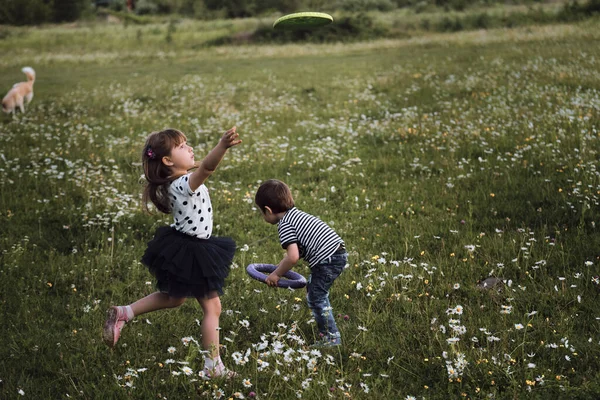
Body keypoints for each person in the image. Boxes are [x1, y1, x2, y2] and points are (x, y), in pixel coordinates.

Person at [103, 127, 241, 378]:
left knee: (174, 297)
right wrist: (221, 146)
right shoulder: (182, 184)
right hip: (194, 252)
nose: (190, 148)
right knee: (213, 309)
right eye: (182, 146)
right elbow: (207, 169)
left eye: (188, 143)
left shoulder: (174, 183)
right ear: (167, 161)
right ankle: (213, 367)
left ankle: (125, 312)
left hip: (184, 246)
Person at [254, 179, 348, 347]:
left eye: (261, 212)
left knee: (316, 296)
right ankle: (329, 333)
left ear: (268, 210)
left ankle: (331, 338)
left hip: (327, 259)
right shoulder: (296, 215)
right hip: (336, 252)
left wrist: (276, 274)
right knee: (315, 289)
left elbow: (292, 257)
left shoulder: (285, 225)